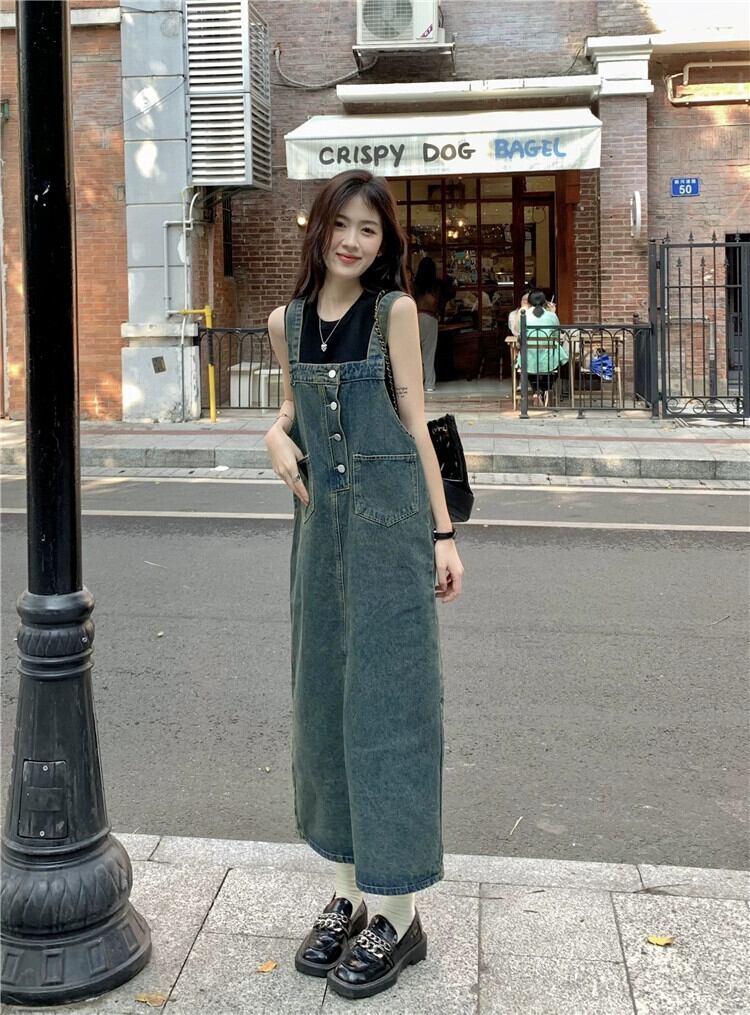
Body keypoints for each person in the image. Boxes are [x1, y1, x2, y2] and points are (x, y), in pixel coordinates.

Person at [264, 169, 464, 1001]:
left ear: (385, 243)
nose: (352, 240)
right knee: (325, 710)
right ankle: (348, 895)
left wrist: (444, 535)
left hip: (390, 536)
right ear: (319, 228)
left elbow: (416, 424)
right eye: (341, 223)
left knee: (392, 713)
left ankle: (398, 912)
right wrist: (273, 434)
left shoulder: (394, 314)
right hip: (319, 543)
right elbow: (289, 414)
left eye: (369, 229)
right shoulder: (284, 323)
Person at [515, 288, 567, 406]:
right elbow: (556, 335)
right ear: (545, 302)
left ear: (529, 302)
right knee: (559, 364)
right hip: (548, 356)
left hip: (529, 356)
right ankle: (544, 390)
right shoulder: (551, 316)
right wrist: (553, 312)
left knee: (528, 368)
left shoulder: (524, 315)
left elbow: (520, 334)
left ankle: (536, 391)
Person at [413, 256, 440, 391]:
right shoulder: (435, 286)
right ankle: (429, 384)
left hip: (415, 317)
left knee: (414, 352)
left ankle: (415, 382)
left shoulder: (415, 286)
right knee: (429, 353)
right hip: (430, 318)